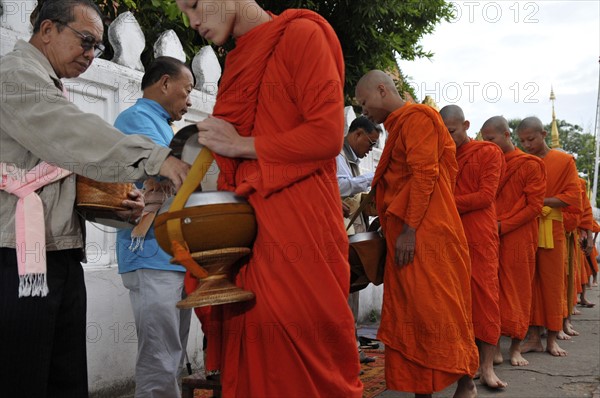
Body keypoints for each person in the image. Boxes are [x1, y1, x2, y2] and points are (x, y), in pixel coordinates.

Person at [0, 1, 190, 396]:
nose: (90, 54)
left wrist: (120, 209)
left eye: (97, 48)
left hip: (59, 251)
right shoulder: (15, 75)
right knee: (24, 375)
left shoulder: (49, 83)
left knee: (63, 376)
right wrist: (156, 158)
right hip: (19, 255)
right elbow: (71, 134)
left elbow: (63, 177)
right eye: (85, 42)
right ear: (47, 29)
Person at [175, 1, 362, 396]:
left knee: (304, 350)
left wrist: (242, 144)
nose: (192, 22)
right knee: (252, 350)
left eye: (193, 5)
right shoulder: (240, 57)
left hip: (300, 225)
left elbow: (326, 136)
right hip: (246, 231)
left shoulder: (303, 35)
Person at [355, 70, 478, 397]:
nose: (363, 112)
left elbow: (425, 175)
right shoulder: (399, 125)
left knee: (436, 308)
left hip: (425, 234)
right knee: (411, 314)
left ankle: (466, 379)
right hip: (406, 233)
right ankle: (422, 389)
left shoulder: (418, 119)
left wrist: (409, 231)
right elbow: (402, 181)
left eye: (364, 102)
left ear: (382, 90)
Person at [114, 56, 194, 398]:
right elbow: (161, 171)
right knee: (159, 357)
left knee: (171, 353)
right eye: (186, 89)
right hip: (149, 253)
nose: (189, 100)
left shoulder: (160, 124)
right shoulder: (136, 119)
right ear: (164, 84)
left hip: (170, 255)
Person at [440, 105, 506, 389]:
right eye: (443, 133)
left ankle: (488, 367)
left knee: (485, 299)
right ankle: (462, 364)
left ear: (466, 125)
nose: (448, 137)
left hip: (479, 236)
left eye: (452, 131)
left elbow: (485, 196)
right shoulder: (441, 156)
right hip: (448, 237)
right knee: (456, 303)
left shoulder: (487, 153)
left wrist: (444, 203)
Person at [480, 116, 546, 367]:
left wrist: (503, 226)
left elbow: (535, 206)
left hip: (519, 235)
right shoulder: (489, 162)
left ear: (507, 136)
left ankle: (516, 348)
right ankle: (493, 348)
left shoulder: (530, 164)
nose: (488, 144)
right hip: (490, 234)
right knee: (492, 291)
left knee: (518, 291)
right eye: (485, 140)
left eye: (492, 139)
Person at [516, 117, 582, 357]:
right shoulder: (524, 162)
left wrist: (539, 202)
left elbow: (572, 197)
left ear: (543, 134)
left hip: (553, 227)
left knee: (552, 284)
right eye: (522, 141)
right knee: (529, 283)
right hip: (527, 226)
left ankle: (552, 338)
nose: (527, 145)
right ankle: (533, 336)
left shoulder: (564, 161)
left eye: (531, 139)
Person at [336, 115, 380, 365]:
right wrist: (372, 178)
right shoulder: (336, 154)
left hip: (353, 233)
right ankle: (345, 350)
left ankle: (351, 348)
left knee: (351, 291)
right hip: (338, 234)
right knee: (342, 292)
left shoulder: (350, 157)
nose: (371, 149)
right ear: (357, 135)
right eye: (370, 143)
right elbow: (340, 187)